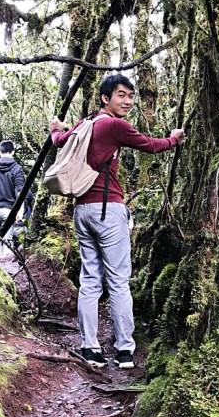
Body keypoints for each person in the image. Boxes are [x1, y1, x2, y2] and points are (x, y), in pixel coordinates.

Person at [49, 74, 185, 369]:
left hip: (82, 211)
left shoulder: (85, 125)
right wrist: (174, 139)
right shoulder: (113, 125)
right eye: (121, 95)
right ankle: (124, 351)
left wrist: (55, 130)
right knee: (119, 281)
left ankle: (90, 349)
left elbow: (60, 140)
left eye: (131, 96)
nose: (128, 101)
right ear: (105, 98)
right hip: (108, 210)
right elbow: (150, 145)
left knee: (90, 282)